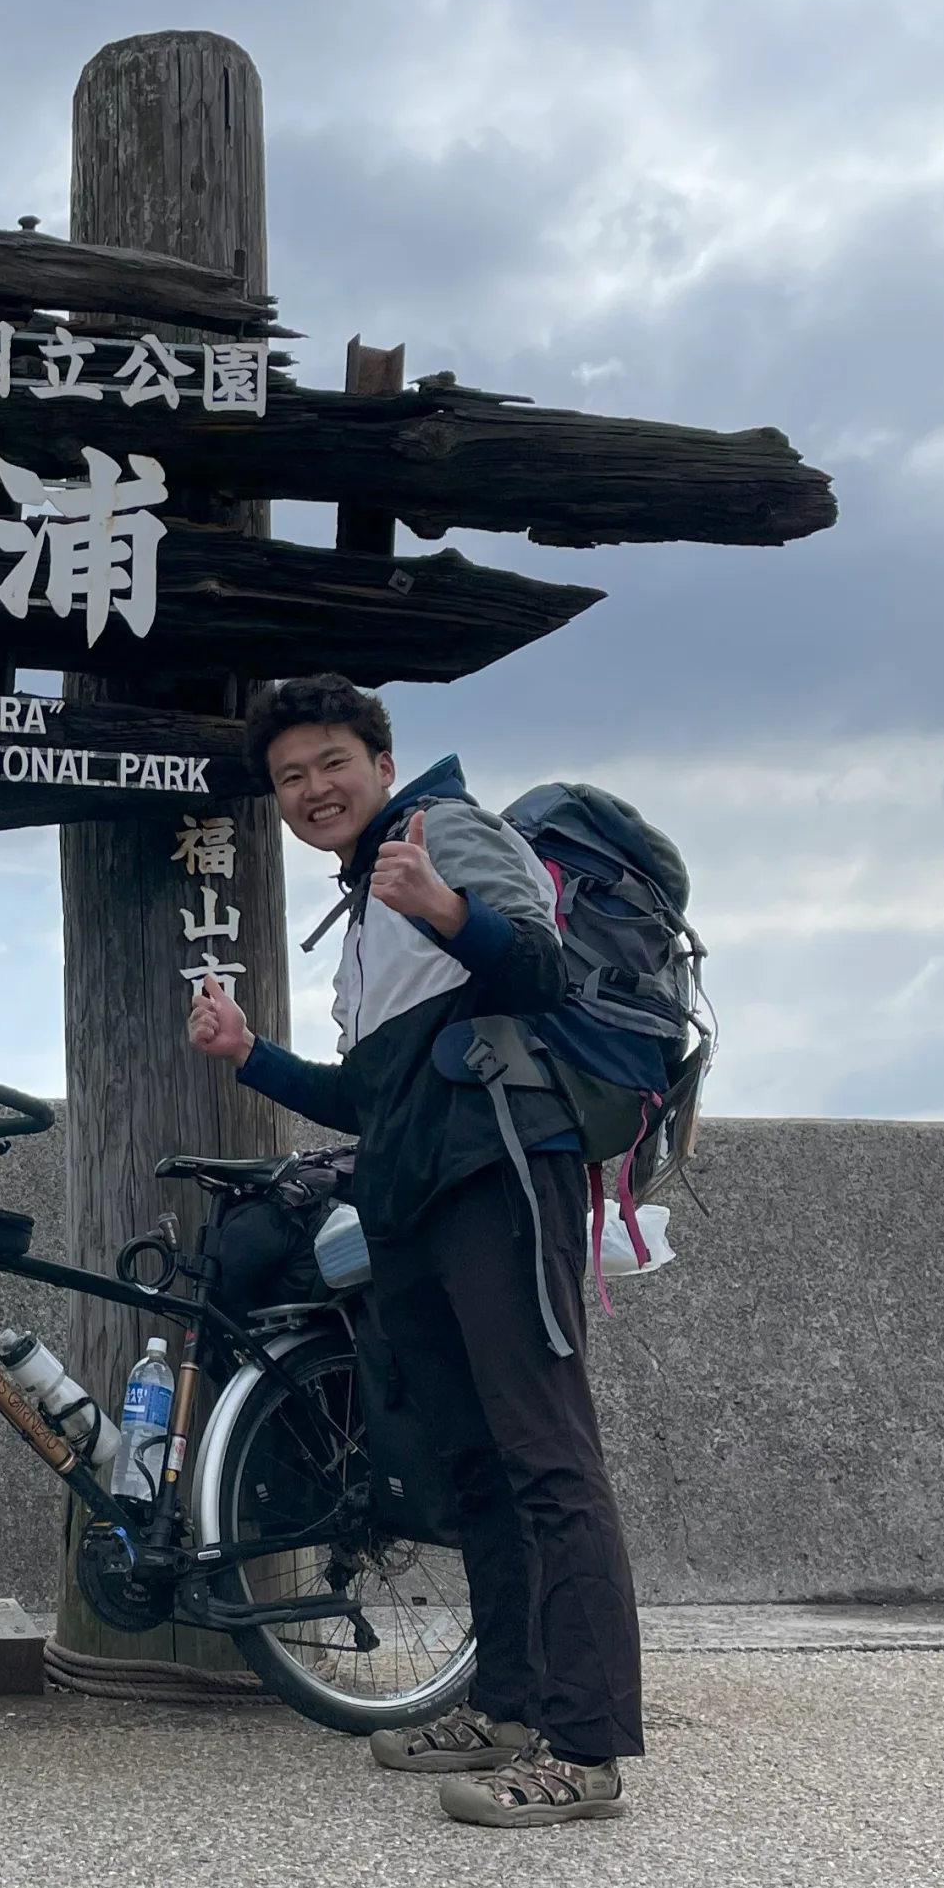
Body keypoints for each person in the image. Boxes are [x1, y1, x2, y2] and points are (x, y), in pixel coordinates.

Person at [184, 673, 643, 1829]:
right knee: (473, 1461)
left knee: (546, 1454)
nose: (311, 789)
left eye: (331, 762)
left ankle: (583, 1750)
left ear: (381, 764)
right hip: (411, 1196)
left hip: (496, 1176)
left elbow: (540, 969)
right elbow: (367, 1097)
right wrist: (251, 1056)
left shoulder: (447, 836)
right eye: (288, 778)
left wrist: (445, 907)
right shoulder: (364, 907)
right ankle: (503, 1705)